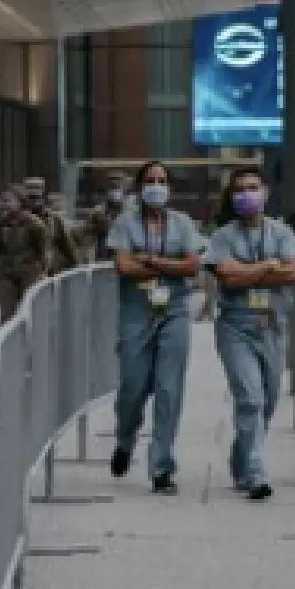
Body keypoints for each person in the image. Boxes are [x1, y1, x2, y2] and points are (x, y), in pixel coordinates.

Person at [204, 166, 295, 501]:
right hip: (236, 327)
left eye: (252, 187)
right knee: (250, 398)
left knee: (268, 400)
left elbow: (292, 273)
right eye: (239, 189)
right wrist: (266, 267)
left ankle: (241, 459)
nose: (246, 195)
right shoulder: (222, 237)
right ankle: (256, 473)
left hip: (273, 326)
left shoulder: (282, 233)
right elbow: (227, 277)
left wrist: (247, 272)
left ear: (265, 193)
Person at [104, 161, 203, 493]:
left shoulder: (183, 223)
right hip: (136, 310)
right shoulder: (124, 224)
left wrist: (152, 261)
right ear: (140, 187)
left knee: (169, 388)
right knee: (133, 387)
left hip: (173, 309)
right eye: (150, 181)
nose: (156, 186)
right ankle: (125, 439)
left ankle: (161, 466)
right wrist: (166, 266)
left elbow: (191, 265)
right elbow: (123, 266)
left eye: (162, 181)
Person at [0, 184, 51, 322]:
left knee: (29, 310)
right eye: (1, 201)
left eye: (8, 200)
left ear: (19, 202)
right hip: (6, 274)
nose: (4, 205)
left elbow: (43, 250)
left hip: (29, 273)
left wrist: (42, 271)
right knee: (7, 314)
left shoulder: (34, 224)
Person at [26, 178, 81, 275]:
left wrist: (76, 268)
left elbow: (68, 247)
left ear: (44, 197)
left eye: (38, 197)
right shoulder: (19, 220)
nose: (35, 202)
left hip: (50, 272)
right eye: (31, 198)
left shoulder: (54, 220)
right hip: (27, 271)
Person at [78, 173, 129, 265]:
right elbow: (87, 236)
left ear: (124, 186)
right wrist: (87, 258)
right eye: (112, 187)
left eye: (117, 187)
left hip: (127, 260)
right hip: (103, 261)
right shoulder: (98, 211)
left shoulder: (133, 210)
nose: (115, 191)